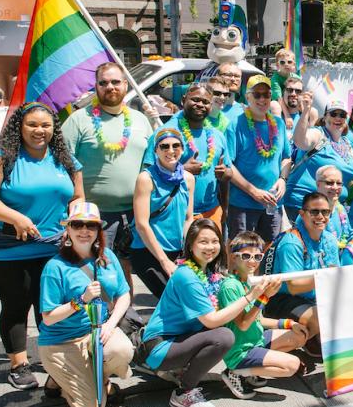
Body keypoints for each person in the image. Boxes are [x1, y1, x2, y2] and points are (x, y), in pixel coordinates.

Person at [0, 102, 84, 390]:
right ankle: (19, 364)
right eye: (32, 125)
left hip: (55, 248)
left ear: (53, 128)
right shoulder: (1, 158)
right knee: (16, 305)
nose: (39, 131)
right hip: (10, 248)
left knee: (51, 307)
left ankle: (53, 360)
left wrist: (74, 219)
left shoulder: (65, 158)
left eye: (46, 125)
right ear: (19, 127)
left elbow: (78, 197)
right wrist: (16, 218)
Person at [140, 219, 264, 407]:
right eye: (203, 242)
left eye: (215, 241)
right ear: (190, 245)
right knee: (223, 336)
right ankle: (183, 392)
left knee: (222, 329)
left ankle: (183, 371)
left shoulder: (207, 272)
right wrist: (251, 297)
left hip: (180, 339)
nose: (210, 247)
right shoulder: (187, 276)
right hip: (160, 347)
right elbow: (212, 320)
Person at [38, 202, 132, 407]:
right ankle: (59, 378)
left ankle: (99, 379)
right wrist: (80, 300)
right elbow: (49, 318)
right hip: (61, 342)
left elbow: (123, 294)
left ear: (98, 230)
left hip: (96, 333)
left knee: (121, 349)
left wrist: (110, 325)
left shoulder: (107, 256)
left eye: (90, 226)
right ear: (68, 229)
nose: (84, 230)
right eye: (77, 224)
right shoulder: (55, 267)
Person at [62, 62, 153, 254]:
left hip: (137, 214)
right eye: (103, 83)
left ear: (126, 85)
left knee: (125, 272)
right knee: (96, 269)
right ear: (96, 87)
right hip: (94, 215)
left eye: (115, 82)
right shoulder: (78, 120)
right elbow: (62, 166)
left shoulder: (140, 120)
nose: (110, 87)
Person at [217, 231, 309, 400]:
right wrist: (264, 297)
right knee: (292, 365)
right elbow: (243, 324)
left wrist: (289, 324)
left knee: (299, 336)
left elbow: (258, 319)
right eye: (246, 256)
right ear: (233, 257)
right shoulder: (230, 286)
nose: (252, 261)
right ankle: (235, 371)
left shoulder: (248, 281)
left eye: (257, 257)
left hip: (255, 340)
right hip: (240, 350)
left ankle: (251, 370)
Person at [264, 192, 340, 357]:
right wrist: (326, 276)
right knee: (322, 318)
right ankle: (258, 353)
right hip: (279, 300)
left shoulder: (330, 240)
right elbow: (294, 286)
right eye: (314, 212)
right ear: (302, 213)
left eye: (325, 212)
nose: (320, 216)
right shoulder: (292, 242)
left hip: (313, 297)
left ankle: (311, 340)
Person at [146, 84, 228, 228]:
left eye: (205, 102)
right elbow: (146, 178)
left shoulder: (218, 136)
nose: (200, 105)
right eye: (195, 99)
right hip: (175, 214)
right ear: (183, 100)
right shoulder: (165, 134)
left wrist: (226, 173)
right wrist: (182, 170)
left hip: (212, 212)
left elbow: (227, 175)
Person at [224, 75, 291, 242]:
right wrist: (254, 192)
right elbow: (228, 165)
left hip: (273, 203)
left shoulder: (278, 123)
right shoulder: (235, 124)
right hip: (243, 204)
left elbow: (286, 158)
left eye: (266, 94)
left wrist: (283, 179)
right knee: (242, 253)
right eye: (257, 94)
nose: (262, 99)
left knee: (269, 254)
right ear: (247, 97)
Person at [131, 129, 195, 298]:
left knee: (183, 301)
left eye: (176, 146)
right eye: (164, 146)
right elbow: (141, 224)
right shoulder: (146, 178)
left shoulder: (188, 178)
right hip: (148, 250)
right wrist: (164, 261)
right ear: (156, 150)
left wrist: (187, 253)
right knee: (172, 299)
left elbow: (188, 218)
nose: (170, 150)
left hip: (177, 251)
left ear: (182, 148)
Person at [315, 165, 353, 249]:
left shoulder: (340, 209)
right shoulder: (311, 213)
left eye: (339, 183)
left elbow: (350, 235)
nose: (335, 187)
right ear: (318, 184)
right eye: (329, 183)